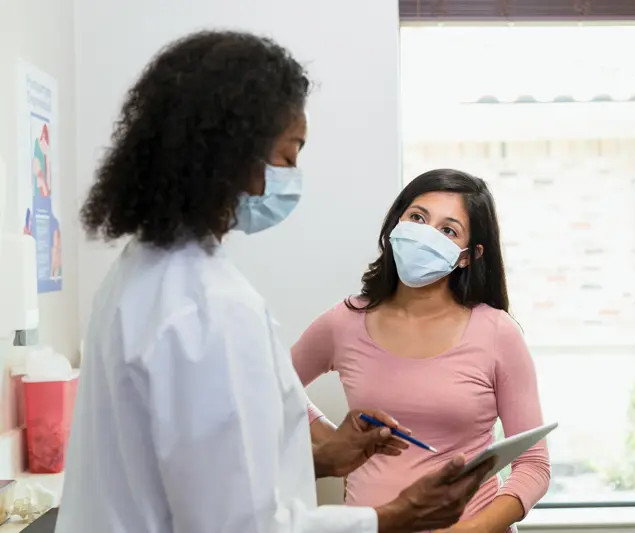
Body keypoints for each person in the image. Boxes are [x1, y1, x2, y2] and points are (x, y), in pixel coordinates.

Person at [55, 31, 493, 533]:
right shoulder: (208, 308)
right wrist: (395, 517)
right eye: (287, 155)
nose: (291, 177)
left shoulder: (141, 272)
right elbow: (238, 523)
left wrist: (326, 455)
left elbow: (207, 473)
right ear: (231, 154)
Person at [292, 169, 551, 533]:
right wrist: (336, 446)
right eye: (417, 217)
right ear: (397, 223)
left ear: (467, 256)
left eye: (448, 230)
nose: (426, 234)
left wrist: (469, 531)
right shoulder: (344, 321)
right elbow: (272, 387)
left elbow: (534, 465)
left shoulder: (497, 333)